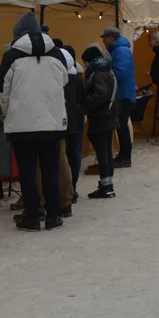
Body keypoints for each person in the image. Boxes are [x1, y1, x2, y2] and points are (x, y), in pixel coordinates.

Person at [0, 12, 69, 231]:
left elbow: (3, 92)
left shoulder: (11, 56)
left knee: (27, 171)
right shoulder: (57, 54)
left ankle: (31, 215)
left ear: (18, 35)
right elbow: (64, 81)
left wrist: (9, 113)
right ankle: (52, 215)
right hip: (52, 123)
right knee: (50, 169)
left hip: (22, 125)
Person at [80, 44, 118, 198]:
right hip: (109, 116)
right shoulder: (108, 70)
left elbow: (101, 94)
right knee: (106, 153)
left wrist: (85, 103)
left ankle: (105, 187)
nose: (84, 66)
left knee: (103, 154)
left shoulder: (97, 73)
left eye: (85, 62)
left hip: (101, 117)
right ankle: (107, 184)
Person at [101, 27, 135, 168]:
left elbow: (119, 73)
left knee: (122, 126)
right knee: (121, 126)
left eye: (104, 38)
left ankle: (125, 157)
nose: (103, 40)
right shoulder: (118, 50)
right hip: (122, 93)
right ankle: (123, 155)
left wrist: (105, 75)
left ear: (111, 38)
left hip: (123, 94)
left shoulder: (121, 51)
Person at [59, 44, 86, 202]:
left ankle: (66, 191)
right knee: (74, 156)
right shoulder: (78, 77)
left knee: (63, 157)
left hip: (64, 124)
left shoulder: (62, 79)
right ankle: (72, 189)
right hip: (77, 122)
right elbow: (83, 100)